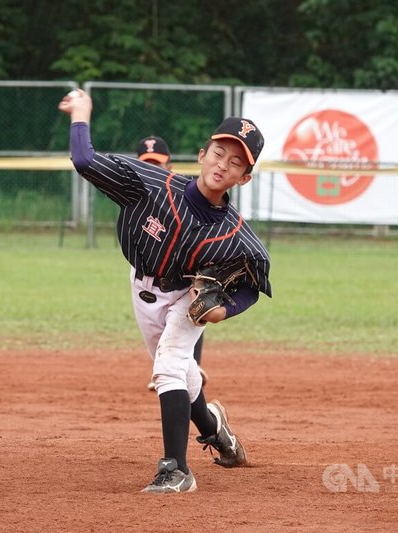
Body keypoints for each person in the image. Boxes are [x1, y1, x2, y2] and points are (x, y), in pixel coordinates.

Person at [58, 89, 272, 494]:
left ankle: (176, 469)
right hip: (141, 287)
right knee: (184, 375)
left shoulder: (237, 236)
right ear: (202, 154)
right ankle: (215, 429)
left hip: (188, 298)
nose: (223, 165)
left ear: (244, 177)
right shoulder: (150, 184)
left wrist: (222, 311)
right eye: (219, 153)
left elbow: (253, 285)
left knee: (169, 367)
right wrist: (82, 112)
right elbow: (84, 160)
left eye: (237, 162)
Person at [135, 135, 209, 393]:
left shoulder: (184, 190)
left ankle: (190, 366)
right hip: (148, 271)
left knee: (194, 306)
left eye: (158, 163)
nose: (153, 169)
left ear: (169, 165)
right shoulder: (134, 192)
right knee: (157, 323)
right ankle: (171, 368)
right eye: (147, 163)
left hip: (183, 267)